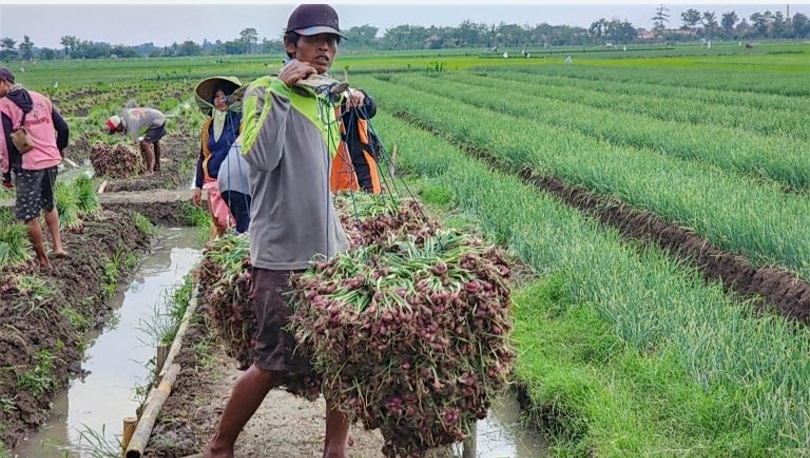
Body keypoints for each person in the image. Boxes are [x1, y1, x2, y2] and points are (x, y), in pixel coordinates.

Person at [187, 5, 366, 458]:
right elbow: (261, 159)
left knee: (339, 359)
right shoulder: (264, 93)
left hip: (329, 252)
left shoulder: (322, 96)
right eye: (314, 39)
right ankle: (219, 446)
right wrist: (283, 91)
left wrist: (353, 98)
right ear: (291, 44)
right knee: (270, 361)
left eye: (332, 40)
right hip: (282, 254)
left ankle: (335, 450)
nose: (325, 48)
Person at [0, 67, 70, 270]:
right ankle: (57, 247)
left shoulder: (4, 106)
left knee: (28, 215)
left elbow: (4, 143)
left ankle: (43, 261)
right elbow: (64, 128)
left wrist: (5, 172)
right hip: (50, 161)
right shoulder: (41, 98)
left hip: (28, 166)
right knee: (49, 204)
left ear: (5, 82)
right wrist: (58, 151)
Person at [191, 76, 244, 238]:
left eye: (224, 96)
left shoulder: (241, 120)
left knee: (234, 223)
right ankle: (219, 252)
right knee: (220, 223)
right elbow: (203, 155)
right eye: (216, 97)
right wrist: (198, 186)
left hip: (235, 182)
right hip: (213, 181)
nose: (220, 100)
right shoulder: (210, 124)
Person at [331, 88, 382, 194]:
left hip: (363, 178)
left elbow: (369, 107)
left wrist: (361, 97)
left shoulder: (343, 98)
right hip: (332, 187)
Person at [105, 106, 166, 176]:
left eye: (116, 130)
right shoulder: (123, 116)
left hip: (157, 120)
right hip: (157, 116)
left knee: (145, 143)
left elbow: (134, 141)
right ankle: (157, 166)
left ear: (118, 126)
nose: (117, 132)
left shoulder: (131, 124)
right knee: (155, 140)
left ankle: (150, 170)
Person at [216, 134, 252, 234]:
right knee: (246, 229)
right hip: (240, 182)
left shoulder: (244, 134)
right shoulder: (262, 132)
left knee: (242, 222)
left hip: (224, 181)